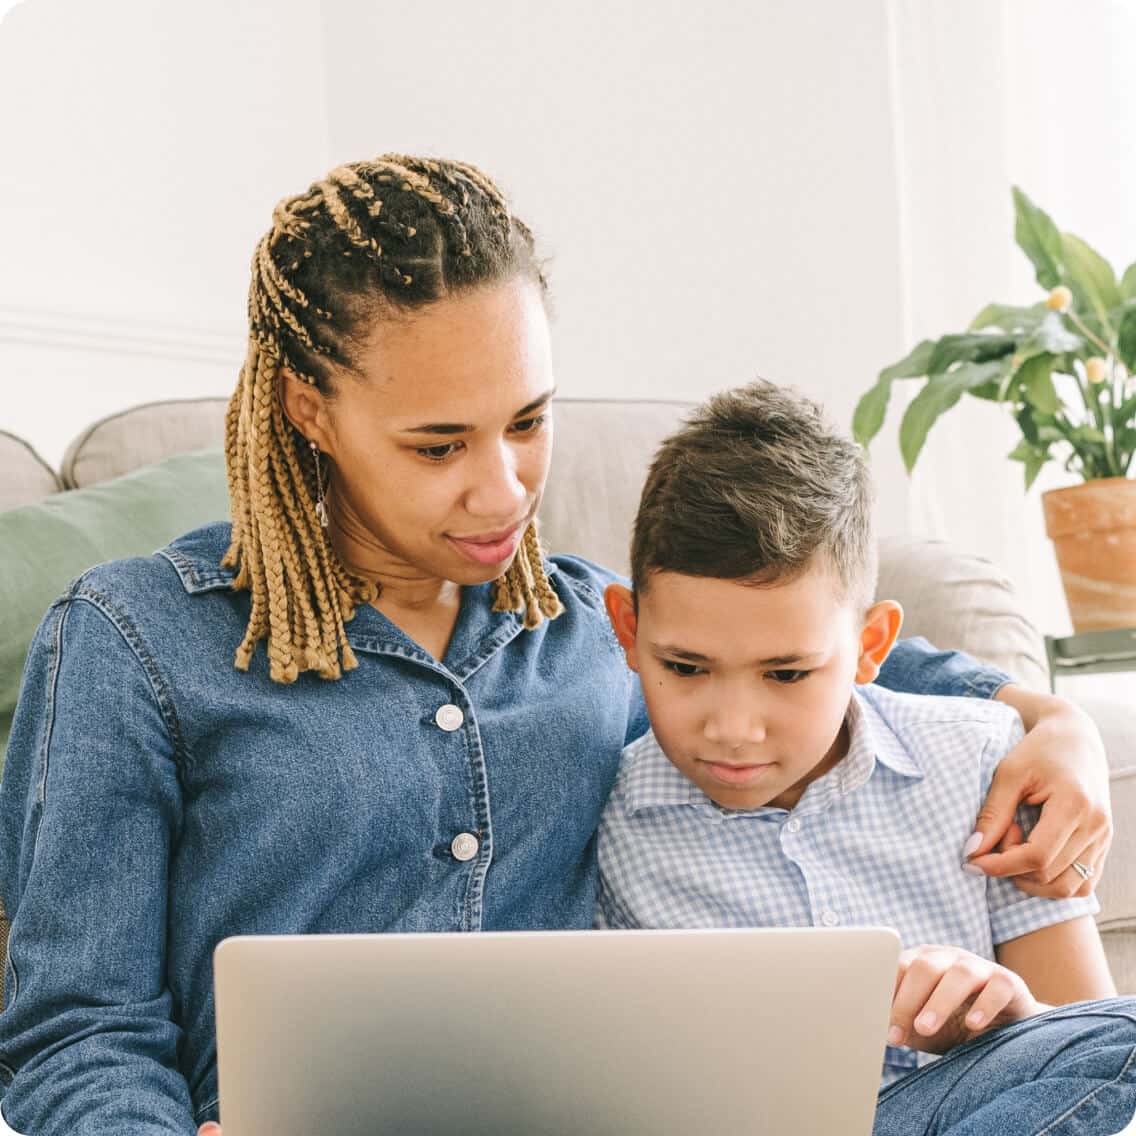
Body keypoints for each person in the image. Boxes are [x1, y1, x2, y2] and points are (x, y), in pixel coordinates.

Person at [0, 156, 1113, 1136]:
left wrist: (1046, 720)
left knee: (1101, 1045)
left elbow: (820, 654)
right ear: (308, 408)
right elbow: (76, 1025)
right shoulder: (132, 641)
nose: (502, 490)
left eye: (527, 422)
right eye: (438, 444)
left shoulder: (593, 625)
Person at [597, 380, 1135, 1134]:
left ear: (870, 647)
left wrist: (1010, 1021)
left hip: (961, 1110)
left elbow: (1091, 1048)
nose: (734, 729)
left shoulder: (984, 763)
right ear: (627, 628)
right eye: (685, 668)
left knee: (1125, 1031)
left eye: (786, 674)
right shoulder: (602, 812)